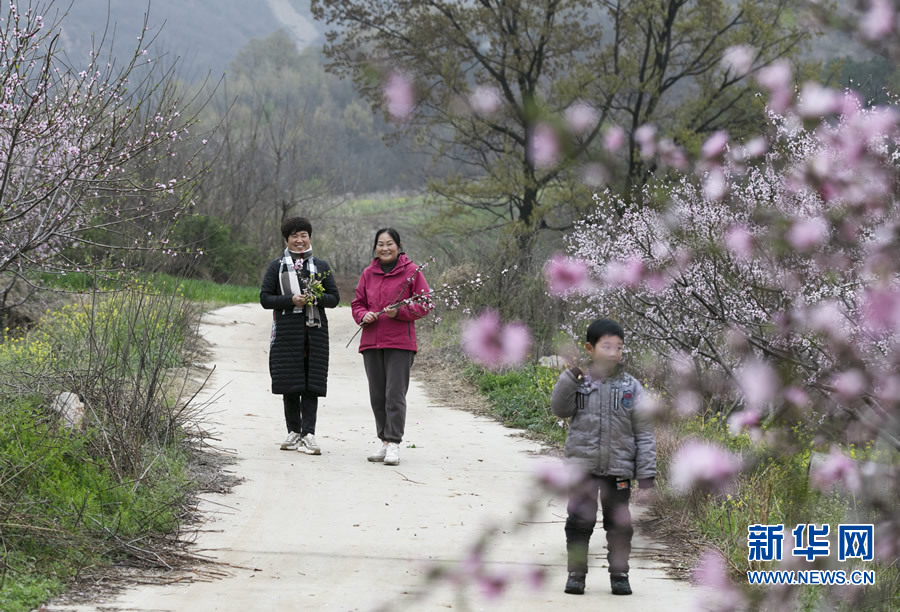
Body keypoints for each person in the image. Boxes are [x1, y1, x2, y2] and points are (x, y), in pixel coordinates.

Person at [550, 318, 656, 596]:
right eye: (606, 346)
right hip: (582, 468)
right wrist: (570, 377)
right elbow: (559, 409)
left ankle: (619, 574)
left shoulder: (631, 387)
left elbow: (644, 432)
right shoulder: (579, 382)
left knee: (619, 524)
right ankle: (576, 573)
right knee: (578, 521)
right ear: (590, 348)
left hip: (618, 470)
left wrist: (646, 474)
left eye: (619, 347)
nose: (613, 353)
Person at [351, 228, 431, 466]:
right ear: (375, 247)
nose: (385, 248)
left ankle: (394, 443)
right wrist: (363, 315)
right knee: (377, 395)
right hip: (371, 342)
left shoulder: (411, 272)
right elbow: (357, 302)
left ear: (398, 245)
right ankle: (384, 442)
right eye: (380, 244)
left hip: (399, 343)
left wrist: (400, 312)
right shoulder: (368, 273)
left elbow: (426, 303)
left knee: (394, 395)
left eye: (389, 244)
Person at [260, 216, 340, 455]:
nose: (299, 240)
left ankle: (309, 434)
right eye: (294, 236)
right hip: (287, 333)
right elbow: (265, 298)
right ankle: (293, 432)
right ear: (287, 239)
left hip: (314, 334)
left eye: (303, 235)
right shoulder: (277, 266)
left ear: (309, 237)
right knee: (290, 383)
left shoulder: (321, 267)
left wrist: (316, 298)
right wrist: (290, 300)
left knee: (311, 384)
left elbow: (334, 299)